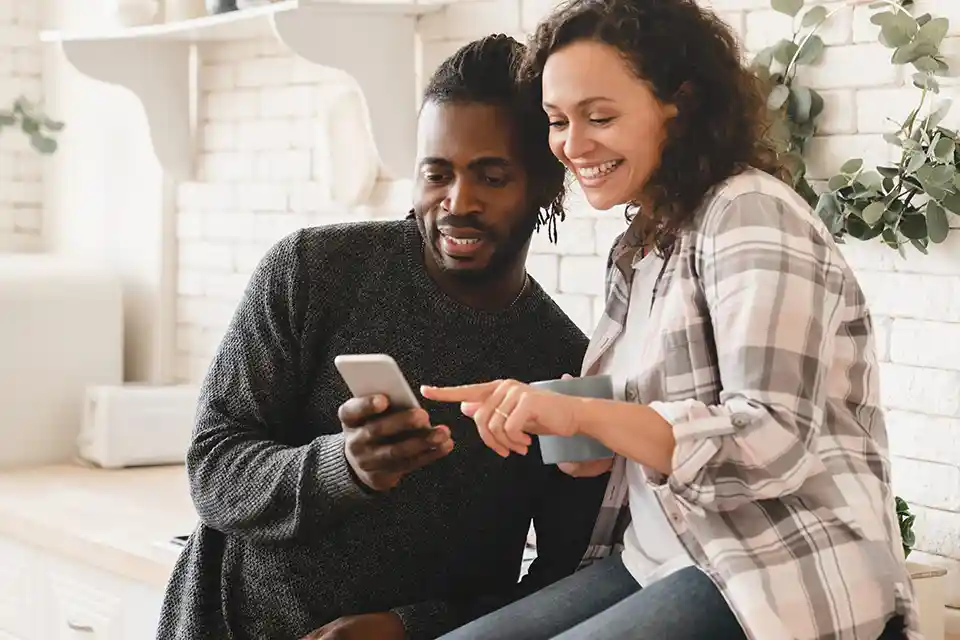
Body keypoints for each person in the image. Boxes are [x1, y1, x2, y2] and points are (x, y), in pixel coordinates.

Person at [422, 1, 920, 639]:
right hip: (658, 560)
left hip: (773, 573)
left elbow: (771, 442)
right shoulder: (641, 245)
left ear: (678, 105)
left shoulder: (750, 215)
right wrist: (550, 420)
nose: (573, 146)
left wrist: (581, 416)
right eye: (556, 121)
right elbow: (622, 445)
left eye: (599, 116)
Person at [155, 34, 609, 640]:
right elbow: (213, 469)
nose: (457, 201)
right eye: (436, 173)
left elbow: (567, 578)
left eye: (492, 177)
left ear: (545, 187)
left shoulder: (563, 365)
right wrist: (341, 467)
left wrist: (407, 628)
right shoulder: (311, 271)